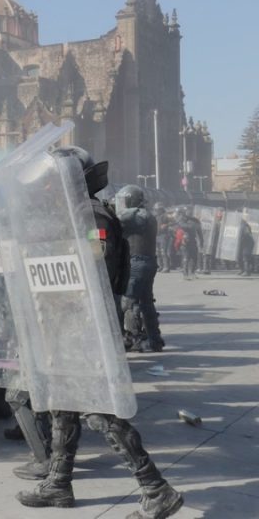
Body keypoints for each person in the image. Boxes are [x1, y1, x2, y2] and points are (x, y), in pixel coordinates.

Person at [15, 147, 183, 519]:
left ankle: (156, 488)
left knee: (98, 410)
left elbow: (94, 271)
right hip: (64, 326)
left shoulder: (92, 215)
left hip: (83, 327)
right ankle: (59, 482)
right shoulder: (72, 214)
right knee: (62, 405)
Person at [117, 185, 163, 353]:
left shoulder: (140, 214)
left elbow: (119, 219)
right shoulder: (148, 215)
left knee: (129, 303)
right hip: (147, 263)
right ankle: (155, 340)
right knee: (146, 303)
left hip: (137, 263)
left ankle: (135, 338)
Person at [175, 207, 202, 280]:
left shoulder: (196, 220)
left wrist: (201, 241)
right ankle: (185, 273)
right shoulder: (182, 219)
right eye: (188, 210)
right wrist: (192, 226)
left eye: (190, 210)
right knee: (186, 258)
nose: (189, 212)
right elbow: (182, 226)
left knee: (194, 258)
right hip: (185, 241)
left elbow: (199, 231)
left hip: (193, 241)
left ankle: (192, 272)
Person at [153, 203, 171, 273]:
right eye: (156, 209)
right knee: (157, 252)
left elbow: (173, 222)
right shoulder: (156, 216)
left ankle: (166, 267)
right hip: (157, 235)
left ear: (161, 209)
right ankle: (160, 266)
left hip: (163, 235)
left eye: (158, 209)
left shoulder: (165, 215)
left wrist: (166, 225)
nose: (156, 211)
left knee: (164, 252)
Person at [237, 211, 254, 276]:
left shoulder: (245, 225)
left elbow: (247, 234)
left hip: (247, 244)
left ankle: (247, 272)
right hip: (243, 243)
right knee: (239, 257)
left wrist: (241, 239)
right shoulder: (241, 224)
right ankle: (242, 270)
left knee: (245, 257)